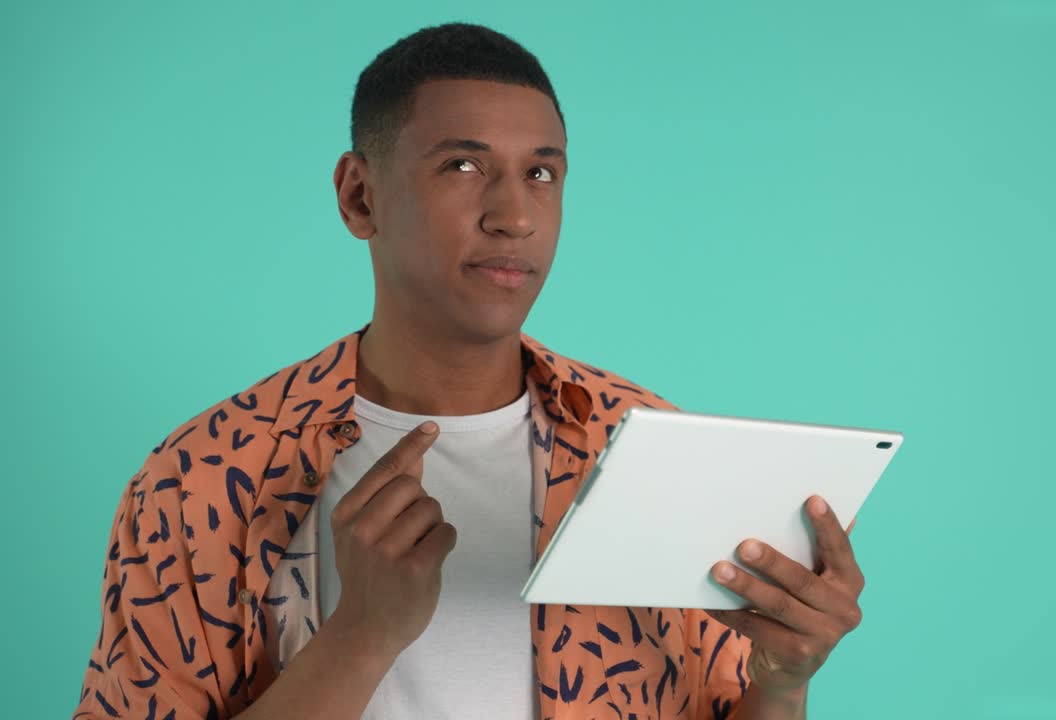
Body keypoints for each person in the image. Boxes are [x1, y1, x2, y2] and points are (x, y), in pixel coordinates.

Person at [72, 22, 865, 720]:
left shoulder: (649, 450)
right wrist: (361, 638)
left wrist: (784, 681)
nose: (514, 215)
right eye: (462, 166)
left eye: (542, 174)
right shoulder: (206, 478)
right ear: (359, 197)